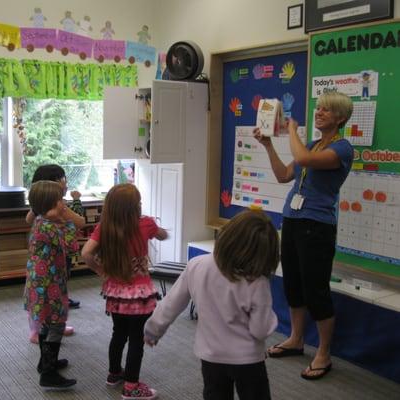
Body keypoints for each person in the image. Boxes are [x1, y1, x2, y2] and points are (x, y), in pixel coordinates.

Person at [253, 91, 354, 380]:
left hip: (317, 226)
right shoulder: (312, 144)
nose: (319, 112)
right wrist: (269, 145)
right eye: (319, 108)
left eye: (327, 110)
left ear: (340, 118)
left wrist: (292, 131)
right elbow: (284, 175)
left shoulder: (343, 148)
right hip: (293, 220)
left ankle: (324, 354)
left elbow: (303, 158)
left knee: (316, 290)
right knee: (294, 285)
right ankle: (297, 340)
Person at [144, 210, 279, 400]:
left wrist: (153, 330)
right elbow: (260, 330)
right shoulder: (257, 282)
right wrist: (272, 319)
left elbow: (171, 304)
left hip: (211, 356)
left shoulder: (197, 265)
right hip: (248, 360)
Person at [82, 183, 167, 400]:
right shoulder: (145, 224)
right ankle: (131, 386)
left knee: (118, 334)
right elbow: (163, 235)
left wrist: (102, 271)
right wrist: (157, 229)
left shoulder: (105, 228)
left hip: (116, 294)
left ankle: (114, 373)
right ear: (134, 207)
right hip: (139, 296)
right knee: (137, 339)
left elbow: (86, 253)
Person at [24, 180, 78, 388]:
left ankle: (47, 362)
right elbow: (71, 244)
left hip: (44, 283)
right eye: (59, 202)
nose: (63, 205)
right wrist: (70, 222)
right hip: (48, 286)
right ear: (48, 206)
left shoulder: (41, 222)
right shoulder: (48, 227)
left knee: (46, 322)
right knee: (56, 323)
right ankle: (48, 373)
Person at [26, 164, 85, 342]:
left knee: (50, 296)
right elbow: (79, 226)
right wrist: (63, 213)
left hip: (50, 264)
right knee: (49, 298)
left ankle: (48, 325)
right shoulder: (48, 221)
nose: (65, 183)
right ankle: (43, 329)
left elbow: (30, 218)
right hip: (49, 266)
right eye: (62, 179)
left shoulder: (41, 218)